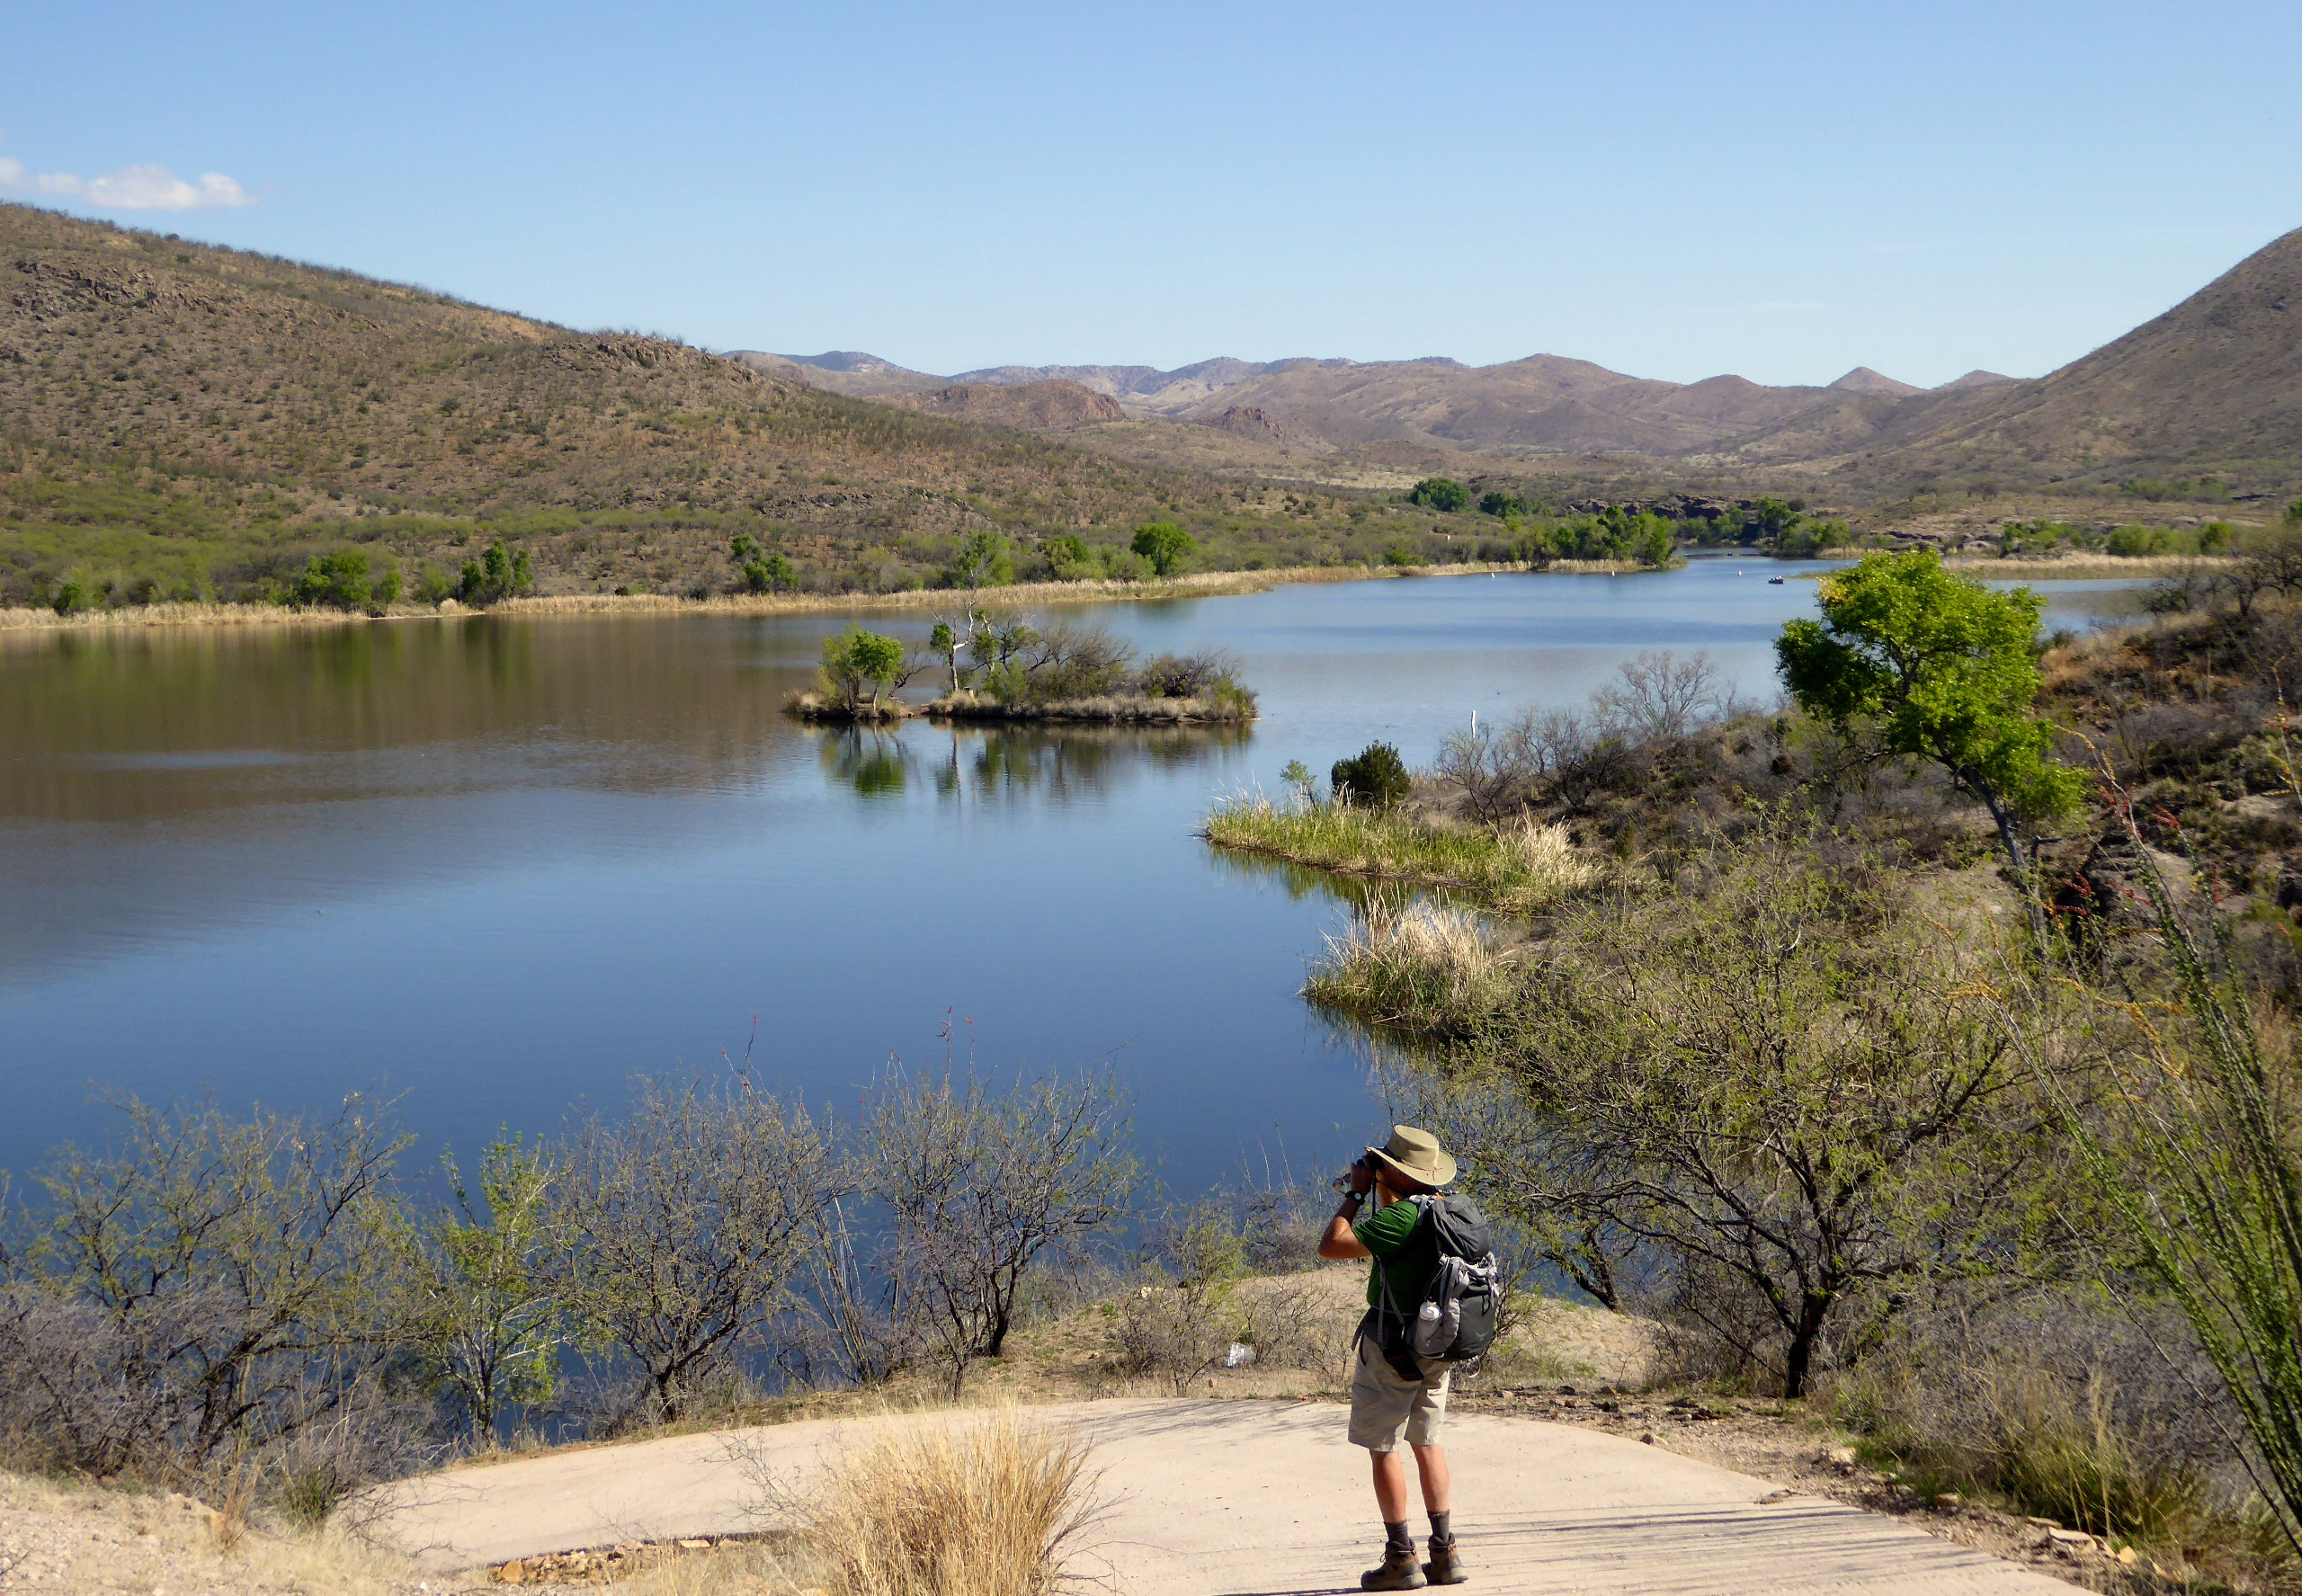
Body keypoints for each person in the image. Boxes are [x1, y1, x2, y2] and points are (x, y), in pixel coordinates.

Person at [1318, 1125, 1467, 1590]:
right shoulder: (1450, 1212)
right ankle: (1446, 1556)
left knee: (1383, 1446)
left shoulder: (1397, 1219)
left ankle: (1401, 1559)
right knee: (1428, 1443)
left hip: (1394, 1349)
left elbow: (1332, 1246)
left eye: (1384, 1165)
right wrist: (1383, 1187)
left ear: (1398, 1176)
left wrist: (1357, 1194)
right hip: (1438, 1344)